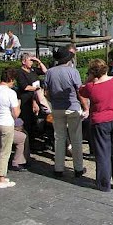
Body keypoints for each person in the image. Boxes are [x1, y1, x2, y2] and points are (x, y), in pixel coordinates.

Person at [79, 59, 113, 191]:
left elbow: (81, 91)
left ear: (92, 73)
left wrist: (88, 79)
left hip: (100, 122)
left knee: (103, 154)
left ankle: (104, 184)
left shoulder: (91, 87)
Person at [43, 49, 88, 178]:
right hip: (72, 106)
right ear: (68, 59)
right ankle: (78, 168)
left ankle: (58, 168)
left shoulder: (50, 72)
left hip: (57, 108)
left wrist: (53, 101)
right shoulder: (73, 72)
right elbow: (80, 91)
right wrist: (85, 107)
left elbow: (46, 92)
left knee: (59, 138)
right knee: (76, 138)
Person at [0, 66, 21, 189]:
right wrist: (19, 105)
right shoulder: (11, 93)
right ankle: (1, 178)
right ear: (11, 79)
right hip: (6, 123)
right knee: (4, 151)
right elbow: (16, 113)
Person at [15, 52, 49, 153]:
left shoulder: (33, 70)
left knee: (37, 120)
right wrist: (36, 88)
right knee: (28, 121)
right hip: (27, 99)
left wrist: (39, 61)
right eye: (30, 60)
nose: (31, 62)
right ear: (23, 61)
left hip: (36, 98)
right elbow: (24, 86)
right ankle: (28, 144)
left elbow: (45, 71)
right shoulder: (20, 72)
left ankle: (35, 140)